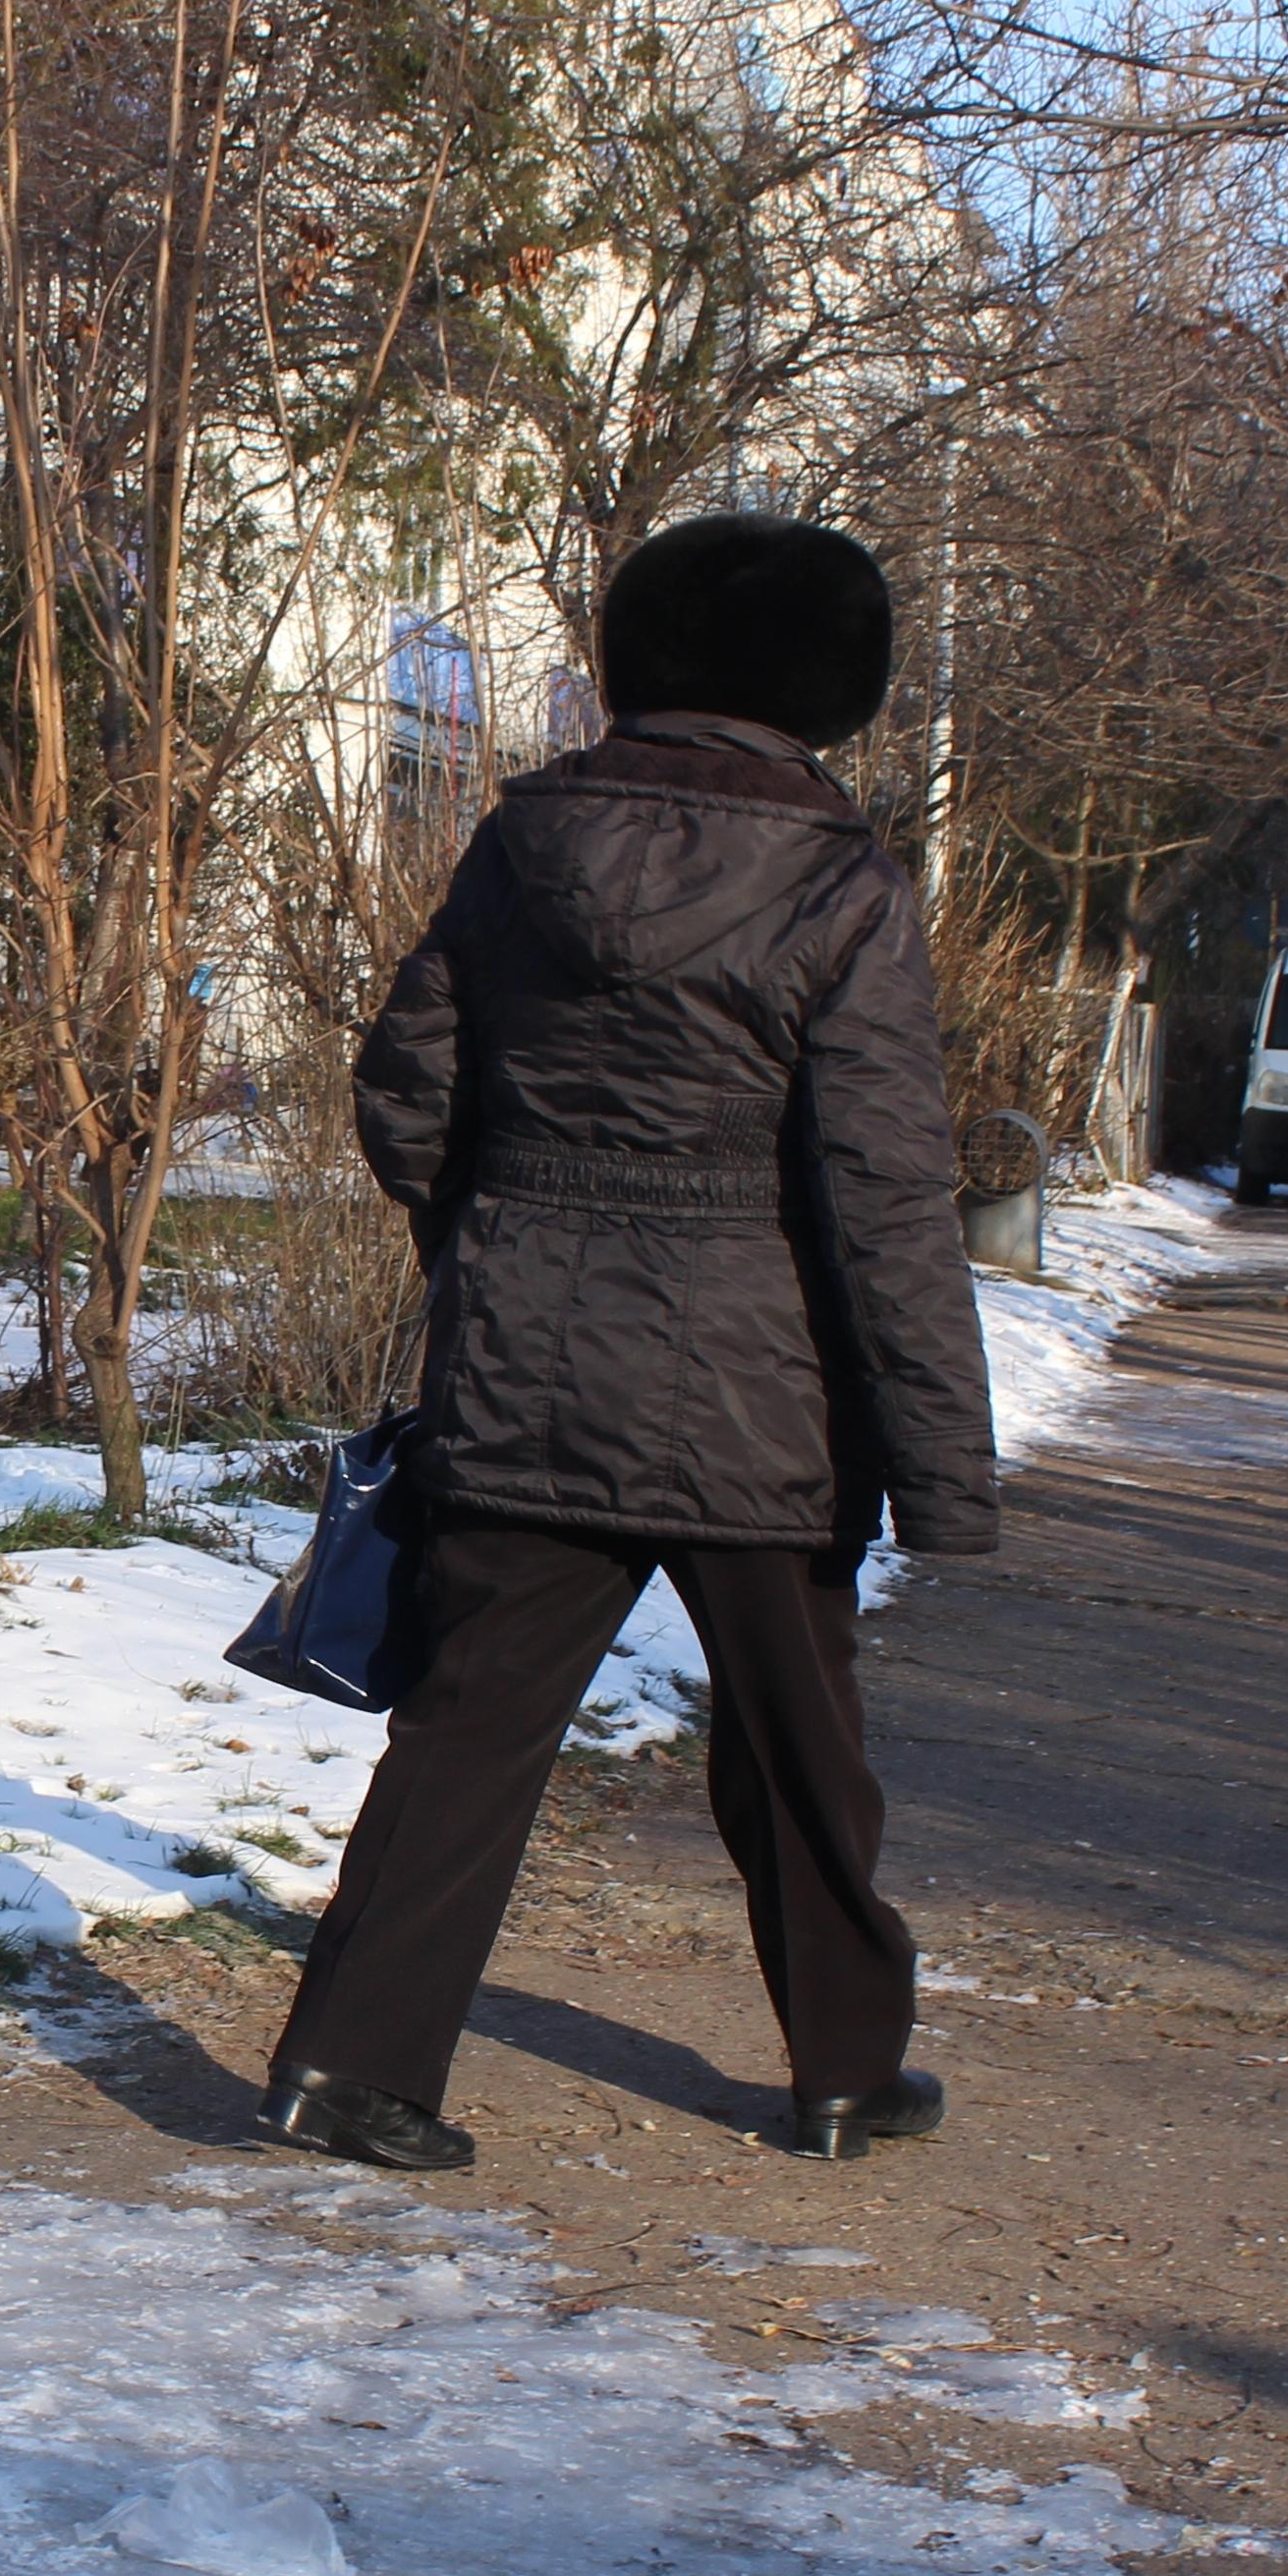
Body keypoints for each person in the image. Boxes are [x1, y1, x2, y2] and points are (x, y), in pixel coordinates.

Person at [259, 515, 996, 2173]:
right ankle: (840, 2075)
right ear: (834, 683)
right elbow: (887, 1196)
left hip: (530, 1370)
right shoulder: (842, 883)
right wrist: (945, 1466)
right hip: (768, 1401)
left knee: (467, 1728)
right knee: (803, 1747)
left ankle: (344, 2069)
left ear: (638, 655)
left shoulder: (522, 846)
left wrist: (499, 1242)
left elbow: (406, 1088)